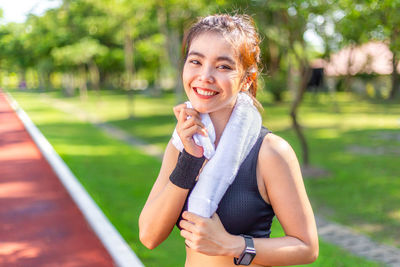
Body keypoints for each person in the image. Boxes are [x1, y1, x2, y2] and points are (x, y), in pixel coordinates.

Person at [139, 14, 319, 266]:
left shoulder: (271, 152)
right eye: (196, 61)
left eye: (223, 66)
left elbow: (306, 247)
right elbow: (149, 236)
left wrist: (233, 245)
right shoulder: (182, 142)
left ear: (247, 79)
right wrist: (190, 161)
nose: (205, 76)